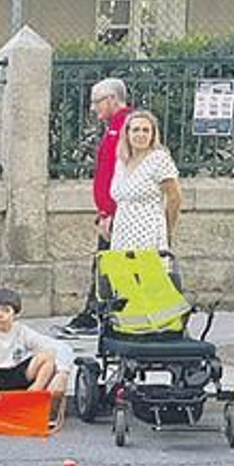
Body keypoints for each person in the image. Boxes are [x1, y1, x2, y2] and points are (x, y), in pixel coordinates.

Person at [63, 78, 134, 335]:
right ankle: (96, 313)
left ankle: (98, 315)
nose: (94, 108)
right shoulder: (114, 127)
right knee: (105, 262)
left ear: (112, 99)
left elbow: (122, 173)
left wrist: (110, 213)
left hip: (117, 213)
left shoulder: (127, 126)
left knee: (109, 264)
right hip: (110, 211)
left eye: (97, 101)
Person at [0, 288, 67, 414]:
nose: (0, 315)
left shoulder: (22, 331)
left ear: (15, 314)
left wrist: (63, 373)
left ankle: (33, 396)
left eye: (6, 310)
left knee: (47, 357)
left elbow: (57, 347)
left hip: (15, 372)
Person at [109, 109, 182, 252]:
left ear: (152, 135)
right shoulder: (122, 161)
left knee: (147, 274)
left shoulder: (159, 159)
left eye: (146, 130)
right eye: (136, 130)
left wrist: (167, 229)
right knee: (121, 274)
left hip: (148, 235)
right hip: (122, 234)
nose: (140, 135)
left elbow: (175, 197)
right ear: (127, 133)